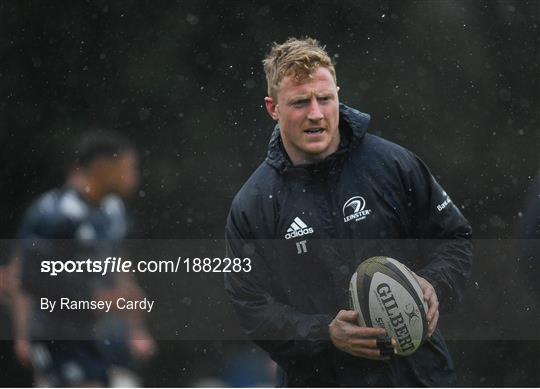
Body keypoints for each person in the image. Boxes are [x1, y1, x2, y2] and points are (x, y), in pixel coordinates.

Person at [224, 38, 473, 386]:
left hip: (420, 375)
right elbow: (249, 305)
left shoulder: (393, 165)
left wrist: (434, 284)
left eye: (325, 99)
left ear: (338, 95)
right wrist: (325, 334)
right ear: (272, 108)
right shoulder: (253, 204)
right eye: (299, 102)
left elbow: (454, 239)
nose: (315, 113)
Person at [12, 130, 155, 386]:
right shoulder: (54, 216)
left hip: (103, 339)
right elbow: (28, 279)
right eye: (128, 168)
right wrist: (23, 334)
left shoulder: (113, 211)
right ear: (102, 169)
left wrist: (136, 329)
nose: (134, 177)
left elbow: (119, 267)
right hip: (61, 339)